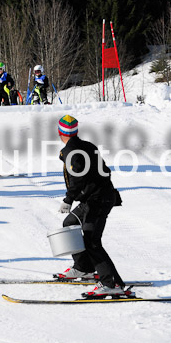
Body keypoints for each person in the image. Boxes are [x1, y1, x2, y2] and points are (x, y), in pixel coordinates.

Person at [55, 115, 126, 297]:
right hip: (94, 198)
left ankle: (111, 283)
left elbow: (78, 179)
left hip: (98, 201)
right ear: (76, 131)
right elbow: (105, 171)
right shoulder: (88, 146)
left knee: (92, 241)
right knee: (70, 223)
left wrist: (69, 199)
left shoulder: (73, 152)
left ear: (60, 132)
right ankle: (83, 268)